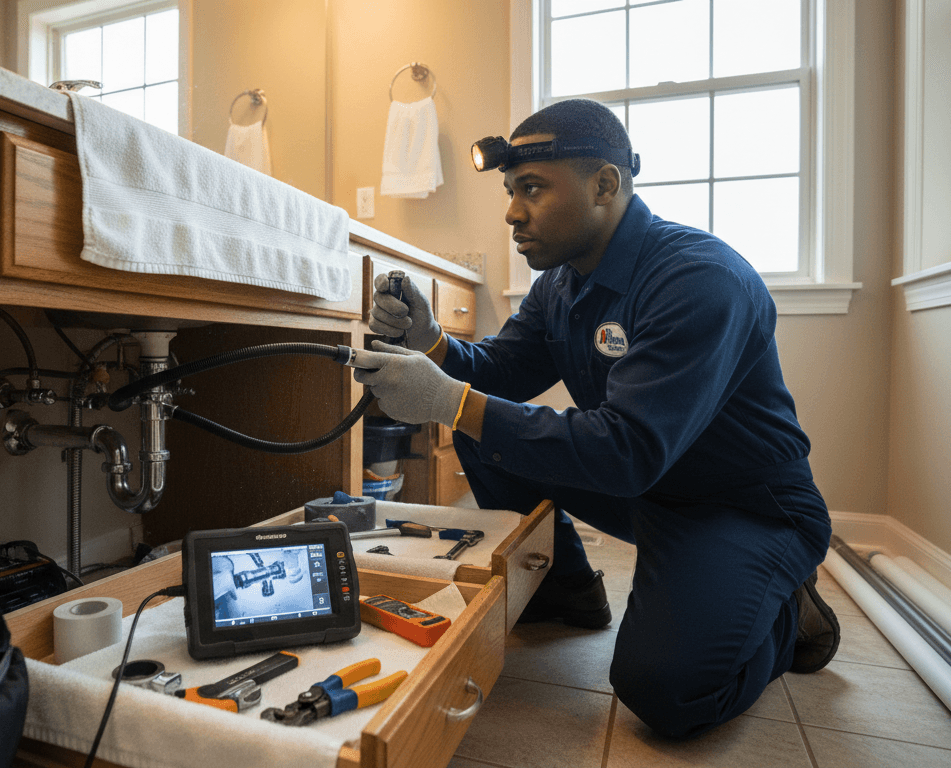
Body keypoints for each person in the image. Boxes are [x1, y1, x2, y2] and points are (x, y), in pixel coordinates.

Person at [351, 99, 840, 739]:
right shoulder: (563, 283)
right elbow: (502, 370)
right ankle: (566, 594)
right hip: (648, 492)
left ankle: (785, 615)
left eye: (532, 189)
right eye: (509, 190)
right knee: (486, 434)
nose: (511, 211)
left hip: (744, 509)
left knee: (662, 690)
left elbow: (627, 448)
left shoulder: (698, 279)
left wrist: (450, 399)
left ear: (604, 185)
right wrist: (435, 342)